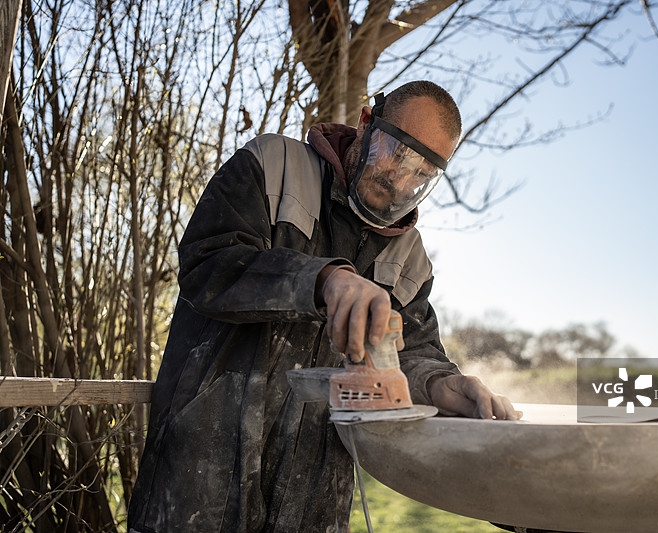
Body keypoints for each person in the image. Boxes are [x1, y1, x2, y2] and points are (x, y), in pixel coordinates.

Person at [127, 80, 521, 533]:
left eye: (422, 173)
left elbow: (411, 351)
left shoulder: (409, 258)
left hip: (314, 499)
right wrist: (321, 280)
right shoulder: (274, 164)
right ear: (366, 123)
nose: (400, 178)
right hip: (199, 487)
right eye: (397, 151)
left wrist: (436, 383)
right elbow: (208, 264)